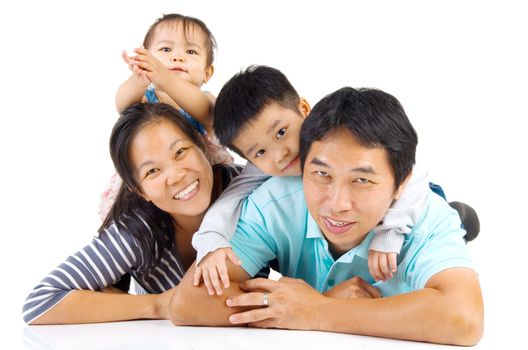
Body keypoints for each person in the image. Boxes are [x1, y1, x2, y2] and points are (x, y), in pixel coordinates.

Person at [170, 87, 484, 346]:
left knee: (451, 220)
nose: (337, 204)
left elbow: (464, 317)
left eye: (362, 180)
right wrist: (314, 305)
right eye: (321, 174)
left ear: (400, 183)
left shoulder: (426, 214)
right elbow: (190, 302)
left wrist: (319, 310)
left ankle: (461, 221)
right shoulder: (275, 200)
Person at [192, 65, 434, 294]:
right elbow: (232, 197)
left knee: (425, 196)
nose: (281, 154)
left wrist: (390, 232)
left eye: (281, 132)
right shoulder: (267, 184)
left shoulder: (334, 133)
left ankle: (457, 215)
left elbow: (410, 172)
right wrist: (211, 238)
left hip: (414, 193)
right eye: (260, 152)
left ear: (305, 109)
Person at [22, 103, 241, 324]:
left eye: (180, 152)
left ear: (202, 146)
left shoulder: (251, 191)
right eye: (152, 171)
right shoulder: (137, 229)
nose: (175, 176)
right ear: (138, 189)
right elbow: (41, 301)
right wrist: (160, 305)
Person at [99, 13, 233, 220]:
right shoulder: (147, 97)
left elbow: (209, 113)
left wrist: (164, 76)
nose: (177, 57)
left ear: (207, 73)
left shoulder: (204, 100)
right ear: (146, 56)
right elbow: (121, 104)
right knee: (137, 220)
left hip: (201, 180)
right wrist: (139, 79)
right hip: (156, 184)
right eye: (165, 49)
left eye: (190, 51)